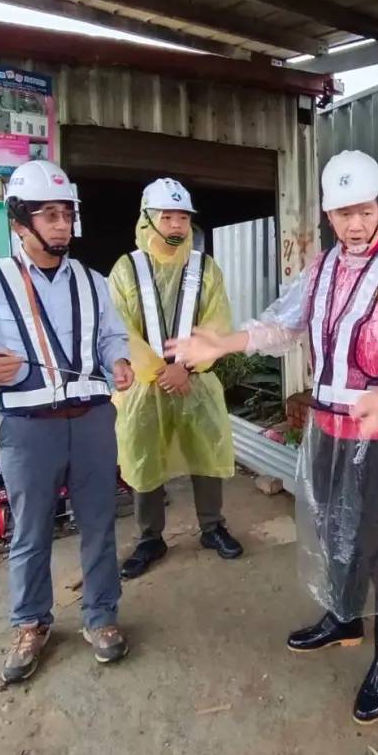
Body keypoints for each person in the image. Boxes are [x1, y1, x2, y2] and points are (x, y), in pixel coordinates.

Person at [168, 150, 378, 724]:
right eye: (343, 212)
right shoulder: (320, 270)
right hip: (327, 428)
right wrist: (223, 344)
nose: (355, 223)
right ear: (328, 215)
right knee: (333, 527)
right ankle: (342, 618)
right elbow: (282, 324)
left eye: (365, 209)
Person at [0, 160, 133, 683]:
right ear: (20, 223)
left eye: (66, 213)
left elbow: (112, 339)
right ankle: (30, 624)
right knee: (29, 531)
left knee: (99, 523)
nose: (61, 224)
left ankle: (102, 616)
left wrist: (118, 361)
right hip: (28, 430)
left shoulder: (94, 283)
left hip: (92, 420)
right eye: (49, 215)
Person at [110, 177, 242, 580]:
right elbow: (118, 328)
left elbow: (217, 321)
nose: (175, 226)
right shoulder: (126, 268)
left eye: (182, 217)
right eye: (166, 217)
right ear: (147, 220)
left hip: (194, 380)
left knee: (207, 450)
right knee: (144, 456)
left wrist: (185, 368)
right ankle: (150, 537)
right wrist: (159, 371)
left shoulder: (205, 267)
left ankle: (212, 526)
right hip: (145, 387)